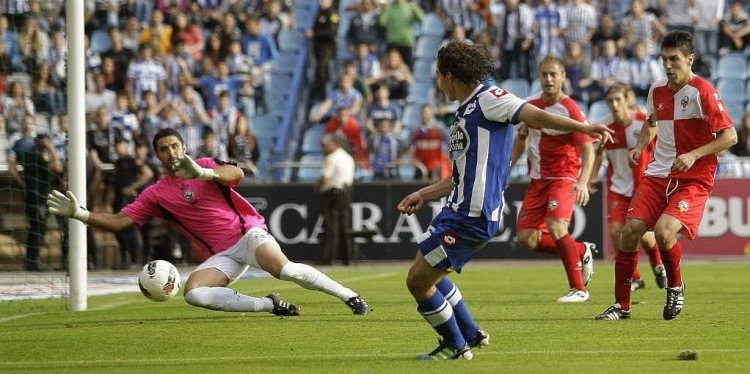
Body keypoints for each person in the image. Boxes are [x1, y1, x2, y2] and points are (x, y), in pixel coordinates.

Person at [396, 41, 613, 360]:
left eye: (438, 77)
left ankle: (456, 347)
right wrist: (421, 194)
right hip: (454, 210)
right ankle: (471, 333)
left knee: (417, 280)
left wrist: (586, 126)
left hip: (473, 216)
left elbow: (538, 115)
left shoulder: (490, 98)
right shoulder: (466, 108)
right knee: (427, 270)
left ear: (450, 75)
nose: (437, 84)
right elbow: (459, 176)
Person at [48, 128, 369, 316]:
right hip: (223, 254)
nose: (171, 151)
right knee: (193, 293)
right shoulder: (156, 194)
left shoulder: (202, 164)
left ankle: (348, 295)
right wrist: (80, 214)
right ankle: (269, 305)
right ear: (157, 156)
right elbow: (120, 222)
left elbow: (237, 173)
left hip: (248, 234)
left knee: (283, 270)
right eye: (163, 149)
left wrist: (203, 173)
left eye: (175, 145)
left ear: (183, 147)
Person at [594, 31, 737, 321]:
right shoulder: (657, 90)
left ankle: (675, 285)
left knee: (663, 232)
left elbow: (730, 136)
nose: (669, 65)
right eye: (664, 59)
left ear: (690, 59)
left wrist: (694, 154)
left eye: (675, 59)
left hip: (694, 176)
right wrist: (639, 146)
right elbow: (650, 123)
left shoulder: (703, 91)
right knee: (629, 232)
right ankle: (622, 306)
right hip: (659, 173)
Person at [510, 55, 598, 303]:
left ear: (563, 78)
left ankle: (579, 289)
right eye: (544, 74)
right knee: (527, 239)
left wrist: (582, 181)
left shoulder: (570, 109)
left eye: (553, 74)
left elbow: (588, 148)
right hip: (537, 180)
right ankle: (580, 250)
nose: (548, 79)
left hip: (564, 177)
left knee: (557, 226)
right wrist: (508, 166)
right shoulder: (530, 105)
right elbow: (521, 138)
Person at [588, 83, 667, 295]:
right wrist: (592, 178)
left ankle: (658, 263)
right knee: (615, 232)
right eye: (610, 101)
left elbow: (664, 145)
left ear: (626, 100)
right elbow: (596, 154)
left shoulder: (644, 122)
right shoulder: (605, 127)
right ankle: (636, 278)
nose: (614, 105)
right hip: (618, 187)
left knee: (645, 236)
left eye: (618, 100)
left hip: (644, 186)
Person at [9, 115, 63, 271]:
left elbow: (56, 167)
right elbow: (13, 165)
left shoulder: (35, 148)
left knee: (38, 226)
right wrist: (22, 184)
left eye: (30, 121)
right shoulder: (24, 146)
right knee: (38, 225)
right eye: (25, 121)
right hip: (34, 192)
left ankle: (32, 260)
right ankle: (32, 260)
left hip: (40, 192)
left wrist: (50, 147)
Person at [315, 133, 355, 266]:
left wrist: (317, 187)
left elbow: (325, 177)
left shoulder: (332, 158)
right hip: (346, 192)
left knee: (331, 226)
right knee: (344, 226)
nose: (325, 147)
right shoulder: (349, 158)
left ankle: (329, 258)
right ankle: (347, 258)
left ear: (335, 144)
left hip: (332, 193)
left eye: (328, 144)